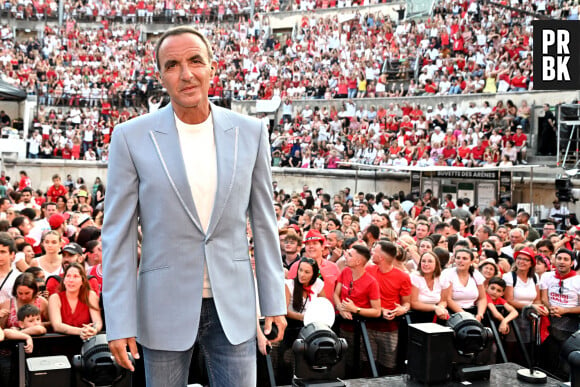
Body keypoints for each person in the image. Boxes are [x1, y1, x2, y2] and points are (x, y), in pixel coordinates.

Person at [102, 26, 286, 387]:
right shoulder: (130, 137)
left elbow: (264, 223)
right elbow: (118, 238)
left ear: (211, 68)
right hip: (162, 308)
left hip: (234, 306)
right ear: (160, 76)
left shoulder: (251, 132)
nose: (186, 74)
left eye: (195, 61)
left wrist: (273, 301)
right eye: (172, 65)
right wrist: (119, 322)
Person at [47, 263, 102, 340]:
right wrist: (81, 331)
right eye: (68, 276)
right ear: (64, 280)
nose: (71, 280)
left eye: (75, 276)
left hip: (87, 341)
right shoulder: (55, 298)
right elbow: (57, 325)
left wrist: (94, 330)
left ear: (82, 281)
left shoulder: (90, 295)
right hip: (60, 342)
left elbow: (97, 321)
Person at [442, 248, 487, 321]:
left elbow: (482, 298)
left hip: (473, 312)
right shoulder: (447, 273)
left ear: (471, 261)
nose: (460, 260)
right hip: (452, 313)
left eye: (464, 258)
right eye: (458, 258)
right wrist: (466, 316)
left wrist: (480, 314)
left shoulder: (476, 274)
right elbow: (448, 299)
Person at [410, 251, 449, 322]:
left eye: (430, 261)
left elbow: (443, 301)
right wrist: (435, 308)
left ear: (436, 264)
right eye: (423, 261)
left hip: (436, 315)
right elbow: (414, 303)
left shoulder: (442, 277)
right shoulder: (414, 276)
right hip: (417, 316)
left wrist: (440, 308)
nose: (426, 264)